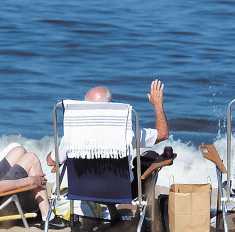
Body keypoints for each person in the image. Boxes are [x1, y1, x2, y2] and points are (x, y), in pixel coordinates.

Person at [46, 79, 169, 222]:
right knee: (150, 158)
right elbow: (163, 134)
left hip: (82, 191)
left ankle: (113, 212)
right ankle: (142, 220)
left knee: (96, 169)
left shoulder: (73, 137)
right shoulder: (127, 133)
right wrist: (157, 104)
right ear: (112, 107)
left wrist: (61, 145)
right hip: (120, 191)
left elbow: (50, 161)